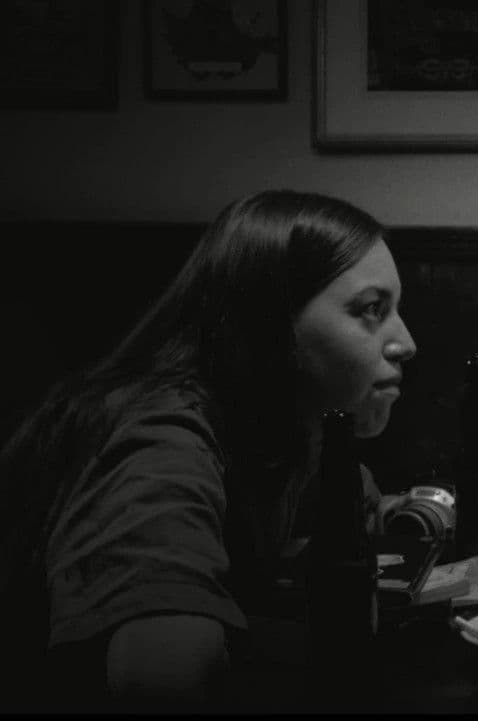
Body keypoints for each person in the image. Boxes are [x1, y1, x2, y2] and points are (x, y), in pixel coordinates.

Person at [0, 190, 418, 711]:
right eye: (372, 309)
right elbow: (161, 674)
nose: (407, 342)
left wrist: (394, 512)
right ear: (271, 323)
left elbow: (348, 497)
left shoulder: (283, 428)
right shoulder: (164, 436)